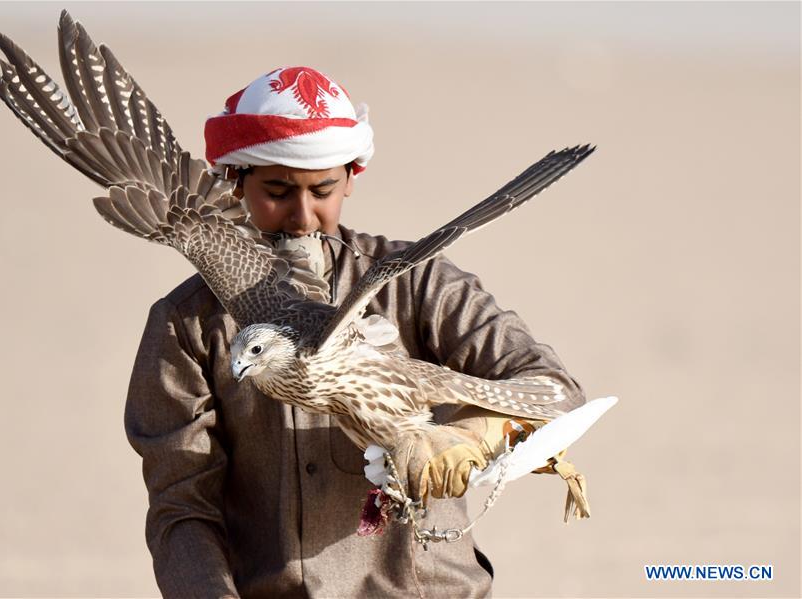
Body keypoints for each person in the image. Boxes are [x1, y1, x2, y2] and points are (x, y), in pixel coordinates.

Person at [124, 66, 586, 598]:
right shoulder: (190, 322)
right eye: (277, 191)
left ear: (351, 178)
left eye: (323, 190)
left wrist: (470, 436)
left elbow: (553, 390)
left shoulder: (417, 283)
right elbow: (182, 506)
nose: (302, 217)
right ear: (234, 182)